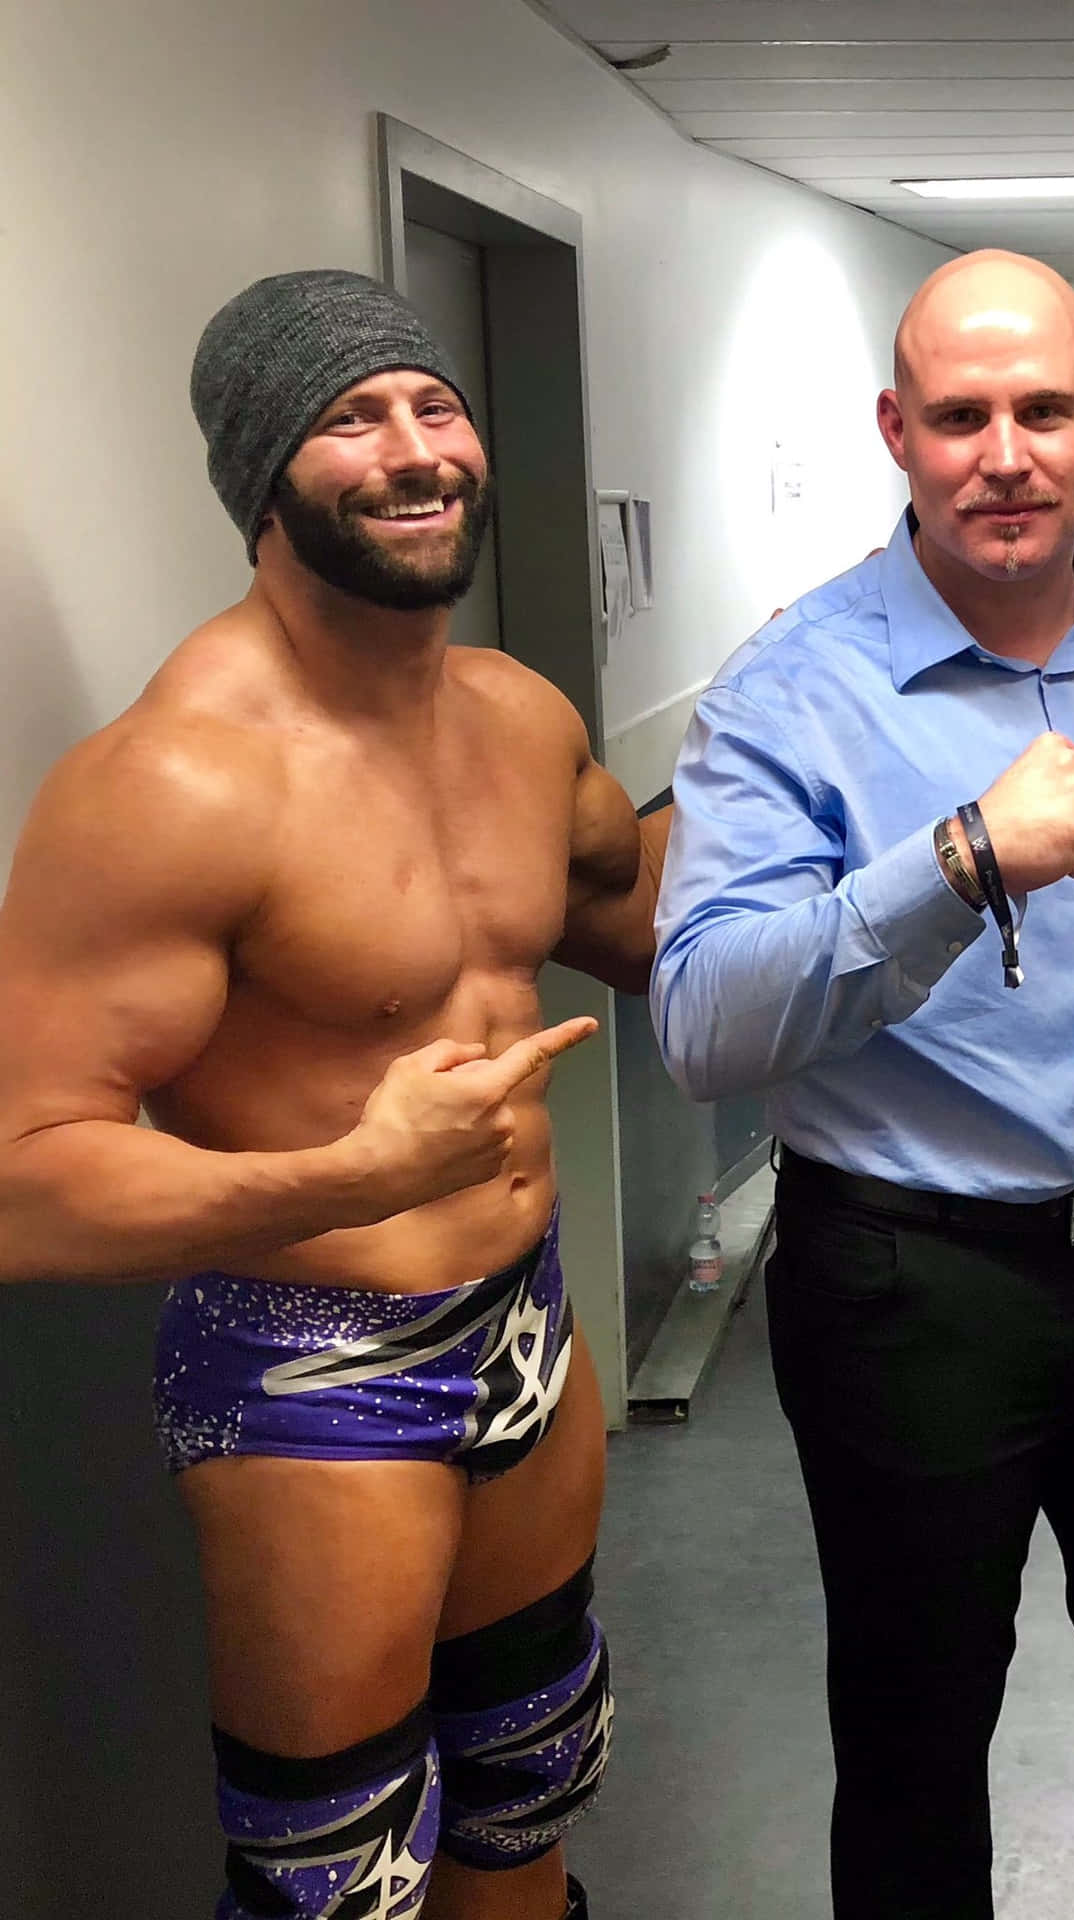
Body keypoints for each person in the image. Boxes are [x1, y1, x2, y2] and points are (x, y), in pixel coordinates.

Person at [651, 249, 1074, 1920]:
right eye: (961, 417)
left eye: (1042, 411)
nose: (1004, 454)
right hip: (907, 1277)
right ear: (898, 431)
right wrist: (958, 858)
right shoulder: (791, 687)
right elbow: (700, 1023)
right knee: (912, 1744)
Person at [0, 270, 669, 1920]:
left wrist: (850, 775)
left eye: (432, 406)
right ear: (262, 477)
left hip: (528, 1320)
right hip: (316, 1375)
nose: (412, 449)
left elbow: (653, 932)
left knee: (527, 1789)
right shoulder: (170, 782)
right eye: (349, 420)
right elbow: (21, 1178)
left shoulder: (519, 720)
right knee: (336, 1876)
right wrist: (345, 1176)